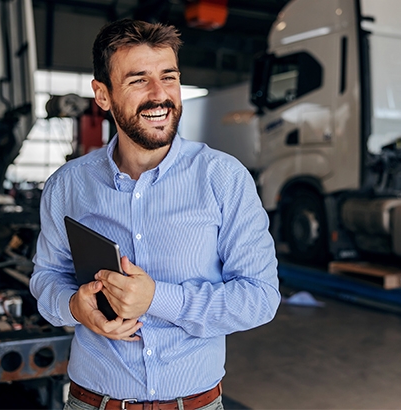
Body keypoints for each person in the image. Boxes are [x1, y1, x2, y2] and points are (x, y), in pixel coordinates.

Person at [30, 19, 280, 410]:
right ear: (102, 95)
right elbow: (46, 278)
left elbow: (260, 297)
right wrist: (73, 306)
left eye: (169, 77)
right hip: (93, 402)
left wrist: (157, 299)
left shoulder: (223, 178)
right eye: (138, 80)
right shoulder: (68, 185)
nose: (160, 95)